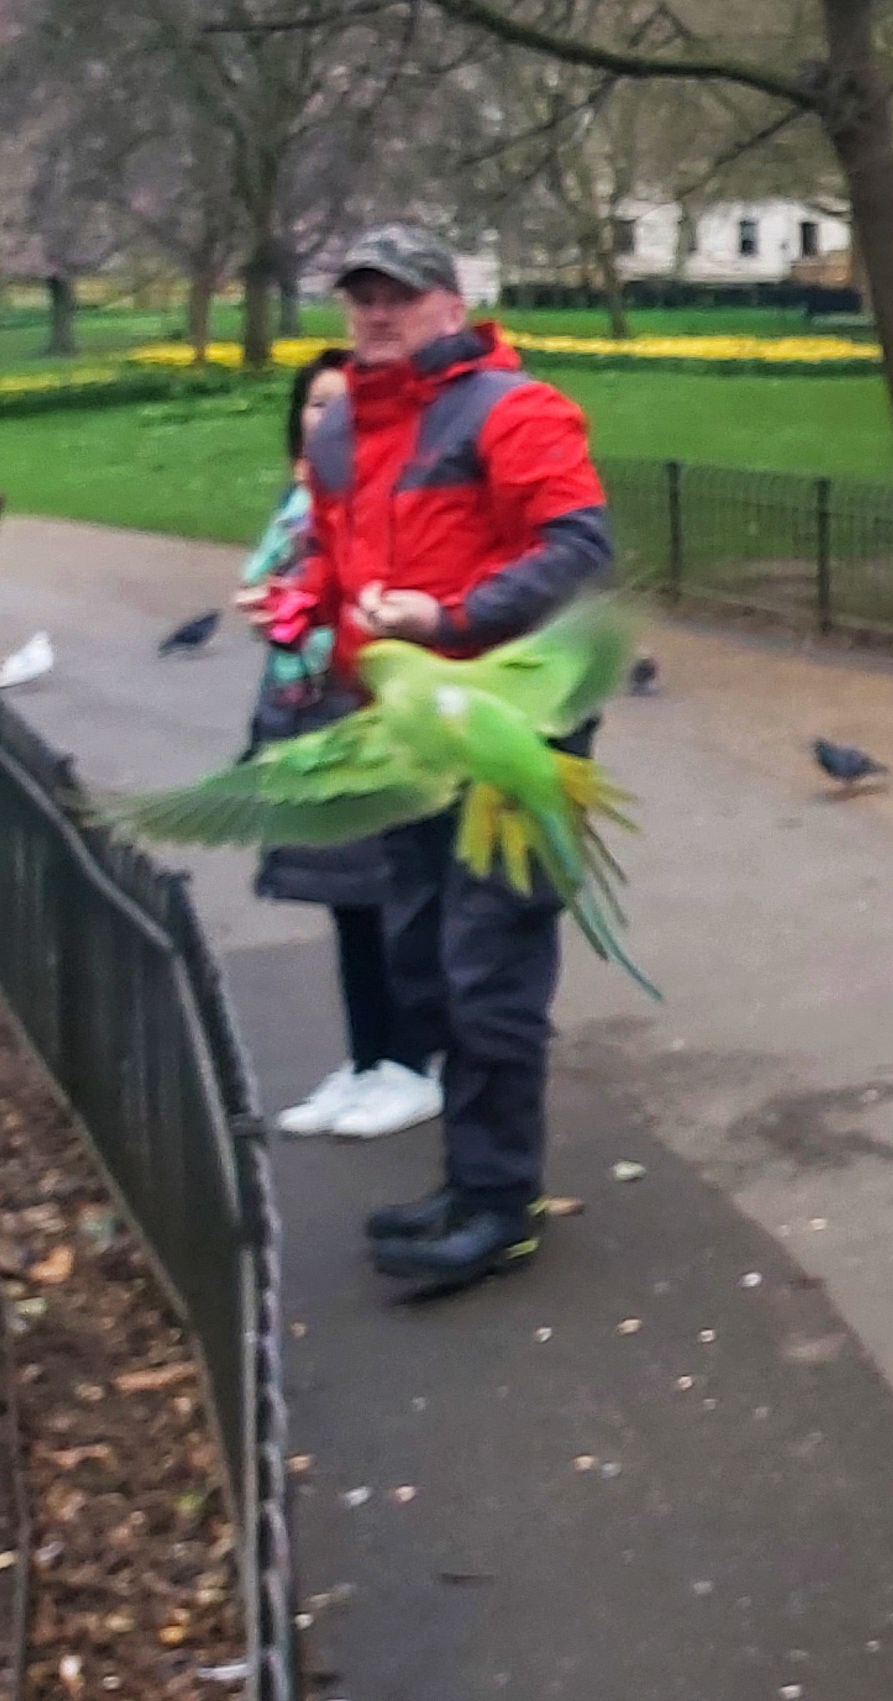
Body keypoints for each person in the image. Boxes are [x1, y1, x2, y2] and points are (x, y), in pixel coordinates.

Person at [293, 227, 613, 1294]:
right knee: (422, 959)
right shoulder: (342, 432)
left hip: (513, 735)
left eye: (399, 294)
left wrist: (456, 615)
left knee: (490, 969)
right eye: (361, 297)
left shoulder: (514, 412)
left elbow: (578, 553)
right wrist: (302, 614)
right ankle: (466, 1177)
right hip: (409, 740)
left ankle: (497, 1201)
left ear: (449, 302)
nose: (376, 313)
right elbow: (334, 562)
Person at [246, 350, 441, 1141]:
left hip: (363, 716)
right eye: (316, 404)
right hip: (302, 716)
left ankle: (412, 1062)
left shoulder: (375, 503)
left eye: (345, 407)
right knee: (346, 907)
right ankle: (365, 1061)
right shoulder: (301, 500)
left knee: (393, 896)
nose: (327, 420)